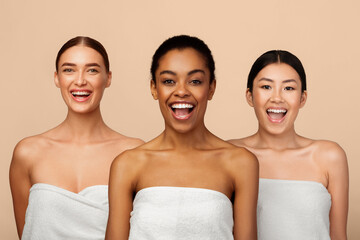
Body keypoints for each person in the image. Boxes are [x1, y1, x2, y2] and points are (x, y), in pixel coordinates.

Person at [105, 35, 259, 240]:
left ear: (211, 88)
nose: (181, 91)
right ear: (154, 88)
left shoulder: (240, 163)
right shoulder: (128, 164)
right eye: (168, 81)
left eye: (195, 81)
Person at [9, 36, 144, 239]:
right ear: (57, 78)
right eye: (69, 70)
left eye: (92, 70)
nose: (80, 80)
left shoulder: (135, 153)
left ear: (108, 78)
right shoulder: (28, 153)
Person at [229, 50, 349, 240]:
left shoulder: (329, 156)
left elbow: (338, 236)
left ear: (302, 98)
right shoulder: (229, 154)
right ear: (250, 96)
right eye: (266, 86)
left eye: (289, 88)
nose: (277, 98)